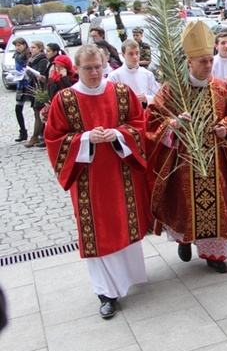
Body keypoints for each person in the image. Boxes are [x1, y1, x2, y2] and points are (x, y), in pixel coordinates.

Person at [43, 45, 151, 319]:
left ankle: (126, 279)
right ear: (76, 69)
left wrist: (117, 134)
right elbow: (54, 138)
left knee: (124, 223)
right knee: (97, 232)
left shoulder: (121, 93)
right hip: (87, 181)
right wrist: (84, 139)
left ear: (106, 65)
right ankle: (105, 293)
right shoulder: (65, 100)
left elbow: (139, 125)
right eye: (87, 68)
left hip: (120, 172)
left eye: (98, 66)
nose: (93, 72)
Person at [146, 20, 227, 274]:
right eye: (203, 61)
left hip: (216, 158)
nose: (208, 66)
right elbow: (153, 119)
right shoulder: (173, 88)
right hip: (183, 160)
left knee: (218, 205)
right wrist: (174, 125)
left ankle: (213, 255)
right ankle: (185, 239)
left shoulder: (219, 87)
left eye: (210, 60)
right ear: (190, 62)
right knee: (185, 203)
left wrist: (225, 128)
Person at [107, 39, 161, 108]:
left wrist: (145, 99)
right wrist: (131, 100)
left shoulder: (148, 74)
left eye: (137, 53)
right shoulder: (114, 76)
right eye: (131, 54)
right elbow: (110, 100)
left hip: (145, 114)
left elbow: (157, 98)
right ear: (123, 55)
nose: (135, 57)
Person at [23, 41, 50, 147]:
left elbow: (39, 74)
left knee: (39, 112)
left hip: (41, 88)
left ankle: (35, 137)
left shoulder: (42, 59)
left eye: (34, 47)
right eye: (31, 47)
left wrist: (28, 71)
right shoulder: (32, 59)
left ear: (40, 48)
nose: (31, 49)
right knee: (36, 112)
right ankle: (41, 135)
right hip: (35, 88)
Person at [10, 38, 32, 142]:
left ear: (24, 45)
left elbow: (30, 69)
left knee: (35, 107)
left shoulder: (28, 54)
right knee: (18, 109)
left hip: (29, 84)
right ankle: (23, 131)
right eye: (16, 45)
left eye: (19, 45)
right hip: (21, 84)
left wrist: (26, 74)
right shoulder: (16, 55)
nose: (17, 47)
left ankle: (40, 132)